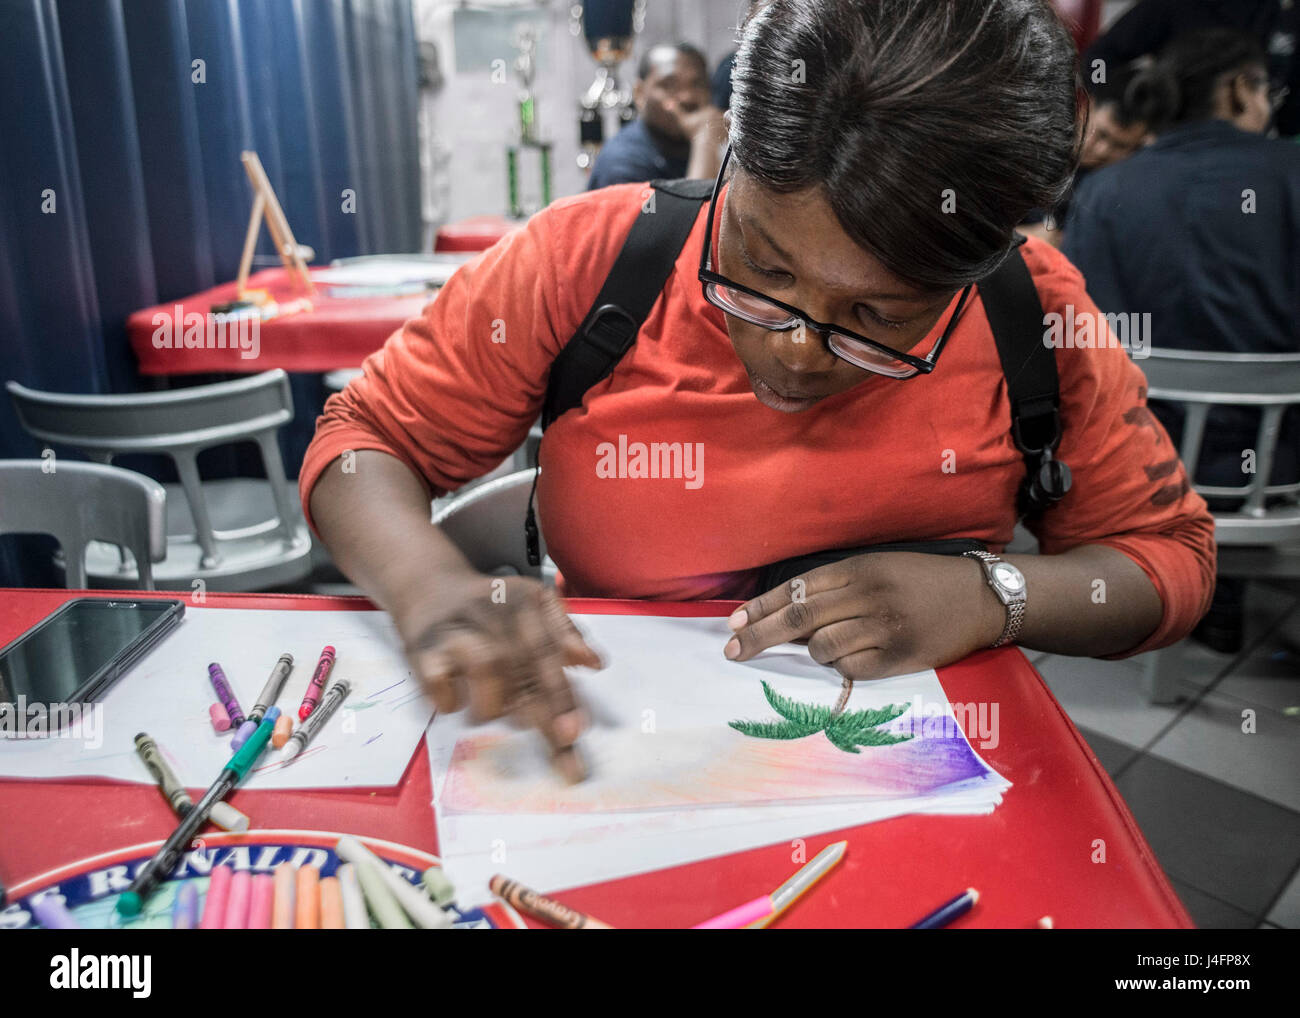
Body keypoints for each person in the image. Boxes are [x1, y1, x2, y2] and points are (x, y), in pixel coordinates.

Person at [303, 0, 1215, 779]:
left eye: (879, 317)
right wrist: (428, 586)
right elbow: (363, 437)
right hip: (611, 762)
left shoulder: (1033, 315)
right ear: (730, 161)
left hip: (907, 779)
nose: (796, 350)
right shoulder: (590, 259)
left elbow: (1165, 558)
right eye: (758, 265)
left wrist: (993, 595)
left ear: (976, 274)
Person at [1064, 28, 1299, 652]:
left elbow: (1085, 347)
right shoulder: (1291, 173)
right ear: (1238, 89)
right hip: (1283, 469)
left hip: (1140, 465)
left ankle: (1195, 597)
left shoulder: (1109, 191)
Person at [1085, 0, 1299, 136]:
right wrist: (1118, 105)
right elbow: (1099, 60)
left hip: (1248, 149)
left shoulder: (1287, 17)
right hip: (1170, 140)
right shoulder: (1175, 6)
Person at [1020, 61, 1151, 247]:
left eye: (1120, 146)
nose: (1102, 150)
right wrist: (1022, 239)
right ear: (1086, 107)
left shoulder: (1114, 193)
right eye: (1101, 134)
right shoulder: (1030, 141)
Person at [586, 42, 726, 189]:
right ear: (639, 93)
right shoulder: (621, 163)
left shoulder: (709, 144)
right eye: (669, 85)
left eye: (698, 84)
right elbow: (697, 211)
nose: (687, 97)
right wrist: (704, 141)